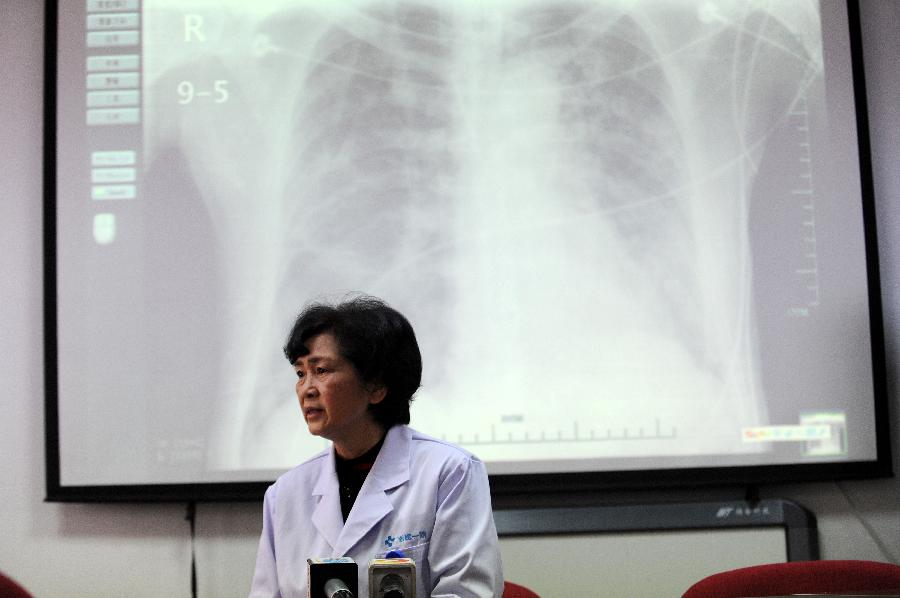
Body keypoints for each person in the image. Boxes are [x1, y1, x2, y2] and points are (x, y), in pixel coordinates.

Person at [249, 296, 503, 597]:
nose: (307, 389)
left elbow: (466, 593)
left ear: (376, 386)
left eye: (321, 370)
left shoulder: (449, 472)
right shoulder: (285, 495)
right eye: (301, 373)